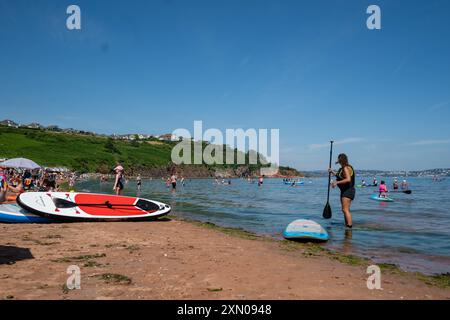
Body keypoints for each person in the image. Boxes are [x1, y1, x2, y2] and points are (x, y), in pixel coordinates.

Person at [329, 153, 355, 228]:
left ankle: (349, 227)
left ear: (341, 160)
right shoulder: (342, 168)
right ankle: (347, 226)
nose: (337, 160)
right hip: (344, 191)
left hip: (348, 191)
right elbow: (339, 176)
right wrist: (332, 171)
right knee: (345, 210)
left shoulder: (346, 168)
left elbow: (348, 179)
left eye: (338, 159)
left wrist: (336, 182)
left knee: (345, 210)